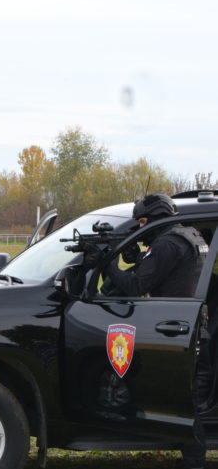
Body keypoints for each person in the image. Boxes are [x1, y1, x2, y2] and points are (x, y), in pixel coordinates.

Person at [103, 194, 210, 469]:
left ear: (149, 220)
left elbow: (137, 286)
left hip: (183, 329)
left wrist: (110, 266)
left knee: (186, 397)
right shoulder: (189, 235)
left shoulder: (166, 244)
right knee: (187, 394)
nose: (139, 229)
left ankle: (195, 461)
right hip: (196, 325)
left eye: (141, 223)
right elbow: (172, 272)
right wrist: (140, 256)